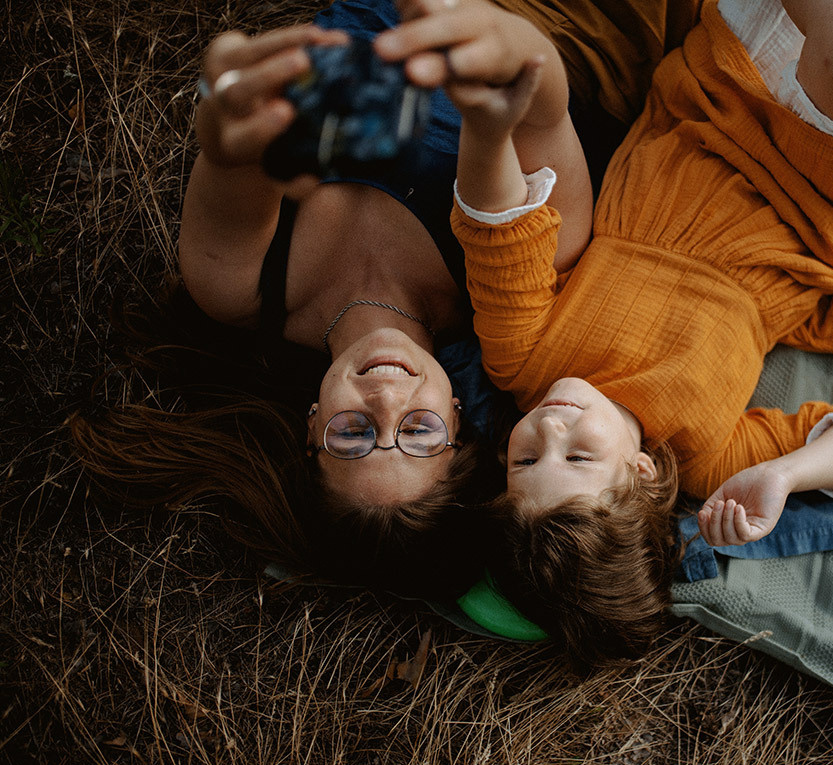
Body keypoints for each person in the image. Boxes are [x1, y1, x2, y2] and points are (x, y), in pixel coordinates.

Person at [67, 0, 703, 600]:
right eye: (419, 431)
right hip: (586, 29)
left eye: (354, 434)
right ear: (458, 422)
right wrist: (512, 48)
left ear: (312, 427)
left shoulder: (236, 288)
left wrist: (228, 109)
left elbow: (232, 152)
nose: (386, 398)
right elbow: (544, 113)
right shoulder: (517, 289)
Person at [446, 0, 833, 666]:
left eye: (522, 460)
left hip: (704, 110)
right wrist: (785, 473)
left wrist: (485, 128)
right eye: (576, 459)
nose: (548, 430)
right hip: (808, 200)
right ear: (637, 473)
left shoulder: (524, 360)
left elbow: (501, 234)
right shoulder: (706, 449)